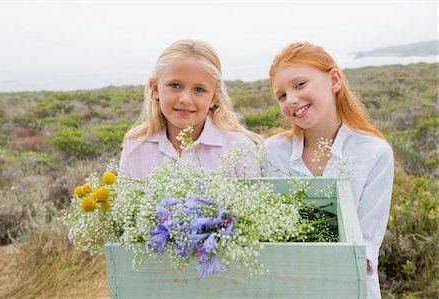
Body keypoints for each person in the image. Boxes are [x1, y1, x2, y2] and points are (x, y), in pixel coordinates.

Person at [265, 42, 394, 299]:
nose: (291, 100)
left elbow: (365, 248)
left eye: (300, 85)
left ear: (334, 80)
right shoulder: (270, 152)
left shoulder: (374, 152)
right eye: (281, 95)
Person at [120, 39, 262, 179]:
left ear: (214, 97)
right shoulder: (135, 147)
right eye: (175, 85)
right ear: (155, 88)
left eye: (199, 89)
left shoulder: (239, 147)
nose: (185, 99)